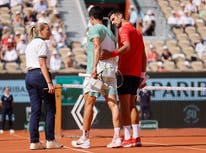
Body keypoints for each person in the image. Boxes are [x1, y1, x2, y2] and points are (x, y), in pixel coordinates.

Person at [71, 6, 121, 149]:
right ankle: (117, 137)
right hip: (110, 71)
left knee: (89, 103)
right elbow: (114, 52)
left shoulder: (94, 29)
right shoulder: (111, 33)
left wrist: (94, 68)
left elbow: (97, 46)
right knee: (113, 104)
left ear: (91, 18)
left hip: (98, 71)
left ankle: (85, 138)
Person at [101, 8, 147, 148]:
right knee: (132, 105)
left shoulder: (124, 30)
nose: (113, 23)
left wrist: (111, 54)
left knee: (125, 106)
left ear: (120, 16)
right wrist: (142, 76)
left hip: (126, 73)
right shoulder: (138, 32)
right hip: (135, 74)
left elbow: (126, 47)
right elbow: (144, 56)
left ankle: (127, 138)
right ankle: (136, 137)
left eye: (114, 19)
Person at [25, 22, 63, 150]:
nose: (50, 32)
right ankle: (50, 140)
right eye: (47, 29)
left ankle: (34, 142)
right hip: (40, 75)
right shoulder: (41, 43)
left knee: (35, 110)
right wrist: (49, 82)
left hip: (29, 76)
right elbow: (41, 63)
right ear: (40, 31)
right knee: (51, 109)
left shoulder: (30, 44)